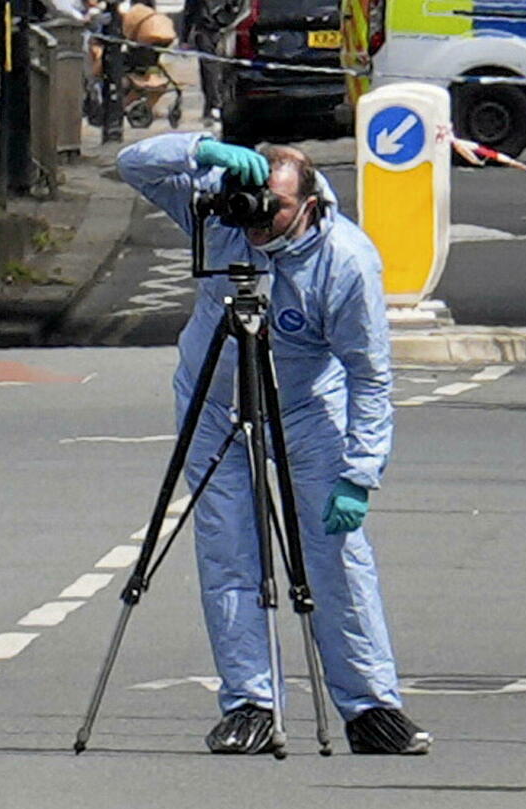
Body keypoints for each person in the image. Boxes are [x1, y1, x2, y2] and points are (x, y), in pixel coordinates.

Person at [116, 132, 429, 756]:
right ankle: (250, 704)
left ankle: (370, 706)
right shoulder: (222, 212)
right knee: (228, 550)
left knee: (335, 553)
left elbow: (370, 373)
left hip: (306, 408)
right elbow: (131, 164)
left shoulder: (345, 260)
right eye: (250, 201)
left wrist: (360, 473)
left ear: (310, 206)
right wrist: (202, 149)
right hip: (212, 400)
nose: (256, 220)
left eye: (275, 208)